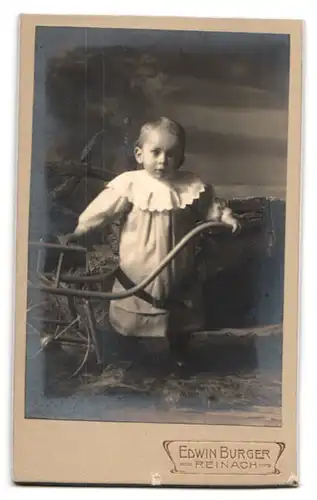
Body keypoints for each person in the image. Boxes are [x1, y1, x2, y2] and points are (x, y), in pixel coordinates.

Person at [62, 117, 240, 365]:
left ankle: (180, 354)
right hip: (138, 268)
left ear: (181, 159)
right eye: (155, 152)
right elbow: (100, 212)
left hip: (177, 266)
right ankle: (128, 357)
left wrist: (227, 217)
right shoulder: (130, 184)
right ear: (139, 154)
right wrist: (80, 231)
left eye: (170, 154)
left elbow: (213, 208)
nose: (162, 160)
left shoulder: (190, 186)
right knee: (131, 316)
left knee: (178, 315)